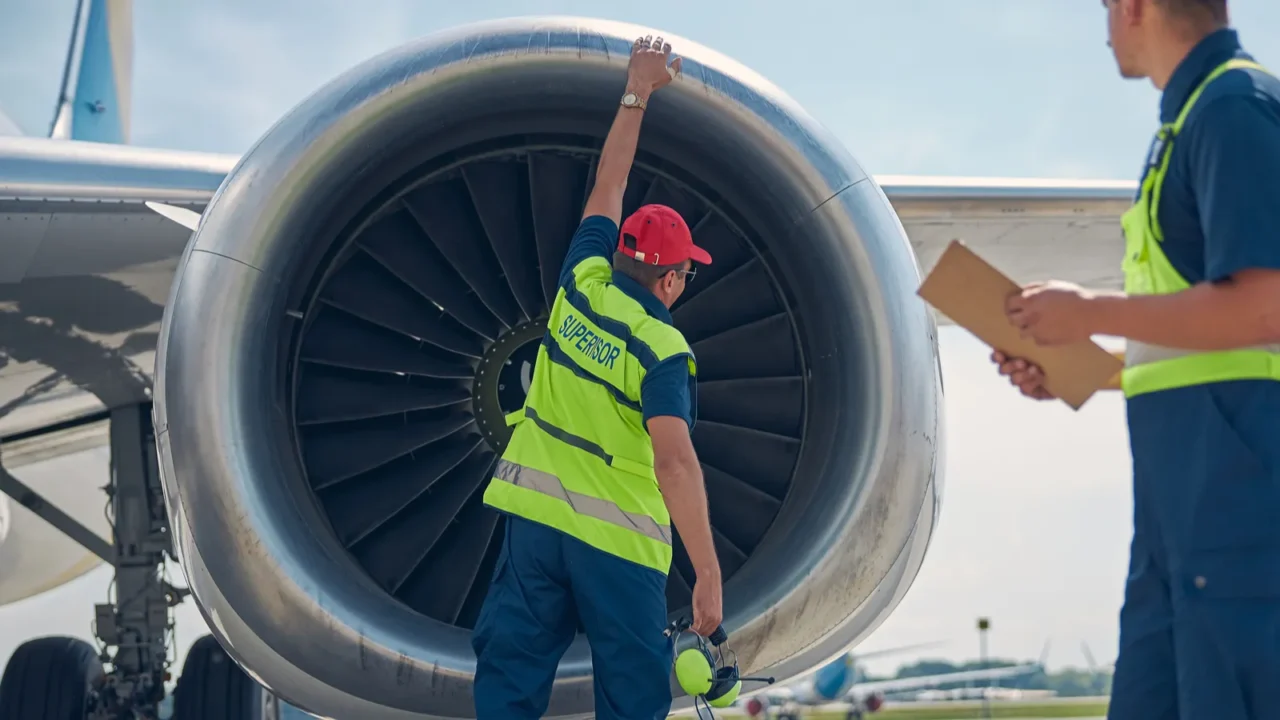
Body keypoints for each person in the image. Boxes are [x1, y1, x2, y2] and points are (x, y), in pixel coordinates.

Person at [992, 1, 1280, 718]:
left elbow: (1264, 306)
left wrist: (1088, 310)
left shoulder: (1232, 108)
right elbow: (1210, 343)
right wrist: (1078, 367)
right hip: (1182, 522)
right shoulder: (1189, 120)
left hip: (1238, 515)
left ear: (1135, 7)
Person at [470, 33, 723, 720]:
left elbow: (608, 183)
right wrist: (706, 571)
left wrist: (636, 90)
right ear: (670, 278)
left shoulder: (579, 283)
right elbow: (674, 463)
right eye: (685, 272)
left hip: (537, 525)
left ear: (622, 254)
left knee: (509, 673)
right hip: (618, 543)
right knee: (632, 691)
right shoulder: (661, 347)